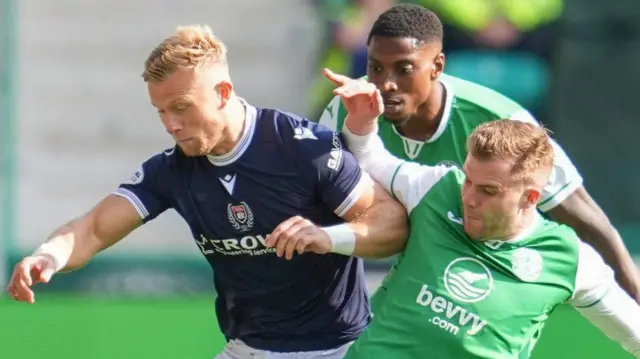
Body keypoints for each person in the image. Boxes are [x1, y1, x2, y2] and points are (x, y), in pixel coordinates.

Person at [6, 25, 409, 359]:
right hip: (247, 349)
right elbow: (93, 228)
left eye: (181, 107)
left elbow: (390, 224)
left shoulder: (303, 148)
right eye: (161, 111)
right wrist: (49, 255)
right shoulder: (172, 169)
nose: (171, 124)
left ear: (223, 93)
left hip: (335, 349)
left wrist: (328, 237)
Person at [318, 3, 640, 302]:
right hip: (374, 286)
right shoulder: (348, 106)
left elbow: (587, 220)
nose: (386, 84)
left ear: (437, 66)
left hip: (484, 282)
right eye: (376, 68)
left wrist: (636, 296)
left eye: (404, 69)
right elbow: (309, 203)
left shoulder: (500, 120)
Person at [327, 75, 640, 357]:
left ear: (530, 198)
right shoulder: (437, 188)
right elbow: (369, 158)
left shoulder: (570, 260)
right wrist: (362, 118)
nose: (469, 198)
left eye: (488, 191)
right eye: (469, 180)